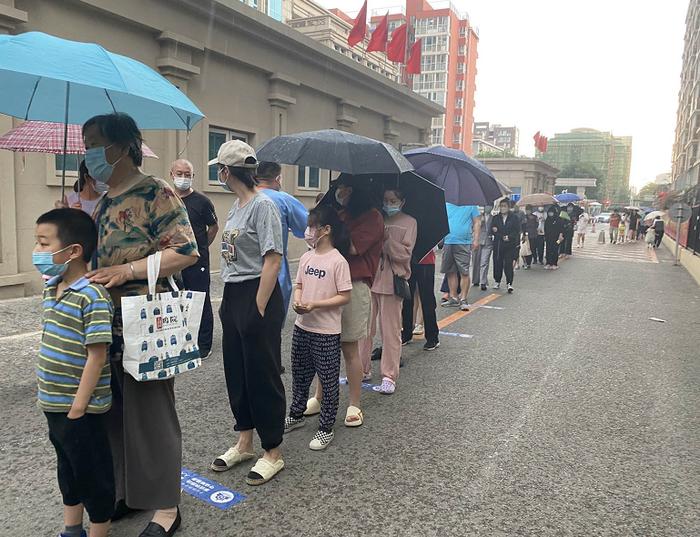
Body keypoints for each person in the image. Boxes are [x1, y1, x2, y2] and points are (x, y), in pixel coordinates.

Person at [84, 113, 198, 536]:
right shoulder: (104, 199)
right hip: (104, 324)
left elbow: (185, 252)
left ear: (120, 146)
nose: (88, 152)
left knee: (151, 415)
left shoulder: (156, 191)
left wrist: (129, 271)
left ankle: (166, 506)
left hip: (146, 321)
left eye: (94, 143)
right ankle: (127, 492)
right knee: (111, 412)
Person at [209, 140, 286, 486]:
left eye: (219, 170)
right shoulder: (235, 207)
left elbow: (273, 257)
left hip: (259, 293)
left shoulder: (262, 205)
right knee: (237, 371)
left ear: (227, 171)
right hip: (234, 292)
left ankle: (273, 451)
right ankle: (244, 441)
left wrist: (258, 304)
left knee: (263, 372)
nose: (219, 175)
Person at [34, 209, 115, 537]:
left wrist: (79, 407)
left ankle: (98, 530)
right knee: (67, 468)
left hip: (81, 409)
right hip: (53, 404)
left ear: (73, 251)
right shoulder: (51, 288)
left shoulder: (92, 296)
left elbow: (97, 356)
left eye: (44, 243)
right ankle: (72, 528)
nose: (38, 251)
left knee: (93, 474)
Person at [306, 178, 384, 426]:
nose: (341, 193)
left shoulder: (373, 218)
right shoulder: (339, 213)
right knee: (323, 346)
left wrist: (328, 230)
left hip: (354, 285)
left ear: (359, 191)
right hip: (327, 284)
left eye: (347, 189)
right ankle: (318, 397)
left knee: (349, 348)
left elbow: (351, 247)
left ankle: (354, 404)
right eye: (338, 188)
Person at [284, 205, 352, 450]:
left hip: (326, 331)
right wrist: (298, 300)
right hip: (303, 326)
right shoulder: (306, 257)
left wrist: (316, 305)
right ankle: (296, 414)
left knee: (328, 379)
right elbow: (299, 284)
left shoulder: (338, 261)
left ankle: (326, 427)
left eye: (313, 226)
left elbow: (344, 295)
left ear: (327, 229)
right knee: (300, 375)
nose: (309, 231)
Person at [360, 188, 417, 394]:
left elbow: (405, 254)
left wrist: (387, 240)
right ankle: (361, 368)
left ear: (402, 201)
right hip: (370, 278)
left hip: (392, 282)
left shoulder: (410, 222)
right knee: (363, 329)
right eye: (386, 200)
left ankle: (389, 375)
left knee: (391, 331)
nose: (389, 203)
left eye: (393, 200)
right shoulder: (377, 218)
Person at [170, 159, 218, 359]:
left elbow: (213, 227)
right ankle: (180, 338)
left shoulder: (202, 201)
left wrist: (200, 246)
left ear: (192, 176)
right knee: (175, 301)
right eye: (179, 173)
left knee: (200, 300)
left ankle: (203, 344)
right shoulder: (166, 199)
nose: (183, 178)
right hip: (171, 261)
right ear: (171, 174)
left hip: (197, 261)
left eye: (187, 174)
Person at [256, 162, 309, 320]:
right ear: (278, 178)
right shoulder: (284, 200)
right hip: (275, 271)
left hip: (245, 273)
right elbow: (306, 229)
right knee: (272, 325)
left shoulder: (244, 198)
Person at [441, 203, 481, 311]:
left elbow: (477, 221)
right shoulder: (446, 204)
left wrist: (476, 239)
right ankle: (453, 297)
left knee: (464, 271)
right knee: (450, 271)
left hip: (464, 241)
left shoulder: (471, 204)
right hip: (448, 241)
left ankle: (463, 299)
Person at [401, 248, 440, 350]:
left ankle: (432, 337)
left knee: (427, 299)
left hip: (426, 260)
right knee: (407, 298)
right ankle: (406, 332)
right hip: (408, 259)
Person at [491, 198, 520, 293]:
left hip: (510, 245)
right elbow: (493, 230)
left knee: (508, 264)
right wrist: (499, 234)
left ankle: (509, 283)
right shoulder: (496, 218)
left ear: (508, 207)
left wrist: (509, 237)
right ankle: (497, 280)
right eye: (501, 206)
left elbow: (516, 231)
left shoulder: (514, 218)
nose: (502, 208)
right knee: (497, 263)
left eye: (504, 206)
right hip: (499, 244)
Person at [477, 206, 494, 289]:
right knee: (476, 262)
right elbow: (473, 227)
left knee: (484, 262)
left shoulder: (494, 218)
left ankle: (483, 282)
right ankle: (476, 280)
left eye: (490, 206)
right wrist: (480, 222)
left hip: (488, 242)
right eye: (486, 205)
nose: (488, 207)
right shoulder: (479, 216)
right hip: (478, 240)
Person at [544, 205, 565, 270]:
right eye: (549, 212)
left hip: (557, 238)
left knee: (555, 250)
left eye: (551, 212)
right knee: (548, 250)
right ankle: (548, 263)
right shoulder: (547, 220)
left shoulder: (559, 219)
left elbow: (562, 229)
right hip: (548, 238)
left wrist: (561, 235)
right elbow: (545, 228)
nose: (550, 213)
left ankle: (554, 263)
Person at [523, 204, 539, 269]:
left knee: (533, 248)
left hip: (533, 234)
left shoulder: (535, 217)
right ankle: (527, 262)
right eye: (527, 210)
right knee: (527, 249)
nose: (528, 211)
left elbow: (537, 225)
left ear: (531, 210)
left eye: (529, 210)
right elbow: (522, 226)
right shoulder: (524, 217)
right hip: (526, 235)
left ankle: (535, 258)